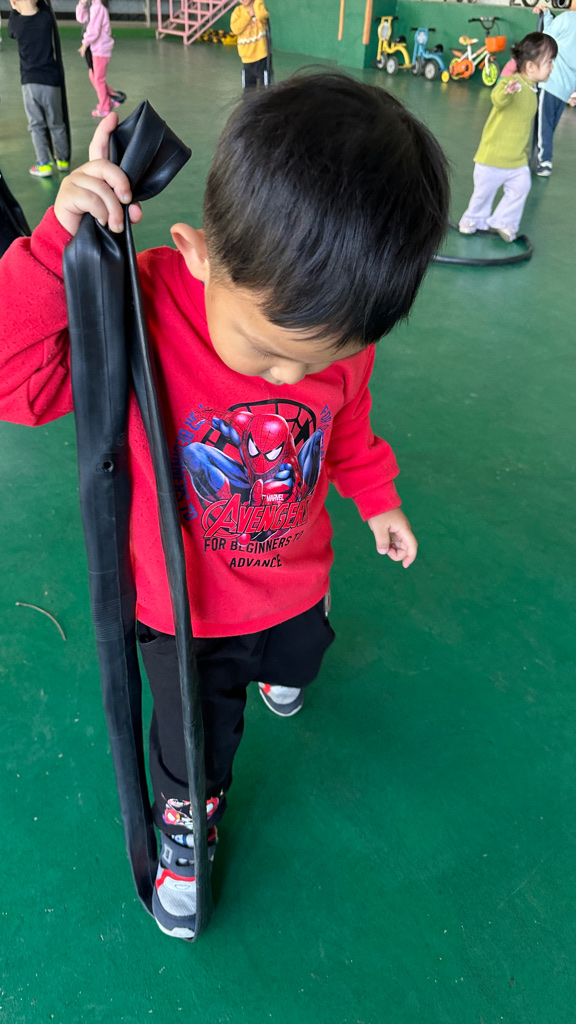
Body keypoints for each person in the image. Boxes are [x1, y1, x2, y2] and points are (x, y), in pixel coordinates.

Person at [0, 72, 449, 940]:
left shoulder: (336, 340)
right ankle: (185, 832)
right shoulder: (139, 306)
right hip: (184, 609)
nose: (292, 378)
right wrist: (59, 251)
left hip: (293, 578)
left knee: (300, 655)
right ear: (198, 253)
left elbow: (348, 422)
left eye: (318, 359)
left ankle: (281, 664)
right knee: (192, 747)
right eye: (270, 352)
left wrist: (377, 499)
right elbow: (16, 383)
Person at [459, 32, 557, 243]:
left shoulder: (532, 90)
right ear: (530, 67)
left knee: (522, 187)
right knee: (483, 194)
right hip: (492, 157)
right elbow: (497, 98)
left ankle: (503, 221)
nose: (552, 66)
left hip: (516, 160)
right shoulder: (514, 82)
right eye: (549, 62)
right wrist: (507, 91)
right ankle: (472, 219)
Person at [8, 0, 70, 178]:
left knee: (36, 125)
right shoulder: (45, 19)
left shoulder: (16, 24)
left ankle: (43, 164)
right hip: (51, 83)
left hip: (30, 84)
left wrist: (15, 9)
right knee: (57, 123)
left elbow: (11, 30)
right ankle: (63, 160)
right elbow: (43, 7)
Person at [532, 3, 576, 176]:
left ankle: (544, 162)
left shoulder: (567, 18)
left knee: (543, 124)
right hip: (567, 88)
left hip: (551, 82)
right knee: (549, 126)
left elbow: (547, 35)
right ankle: (542, 157)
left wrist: (546, 15)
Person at [76, 0, 123, 118]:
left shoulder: (98, 8)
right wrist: (81, 4)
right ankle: (111, 98)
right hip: (96, 49)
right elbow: (82, 19)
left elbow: (94, 30)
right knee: (93, 76)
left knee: (98, 79)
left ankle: (104, 107)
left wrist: (84, 44)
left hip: (101, 50)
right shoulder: (93, 7)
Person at [230, 0, 271, 88]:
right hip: (247, 59)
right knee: (248, 90)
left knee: (265, 89)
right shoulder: (238, 11)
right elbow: (235, 29)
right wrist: (249, 15)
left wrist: (256, 3)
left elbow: (262, 16)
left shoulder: (259, 7)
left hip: (262, 57)